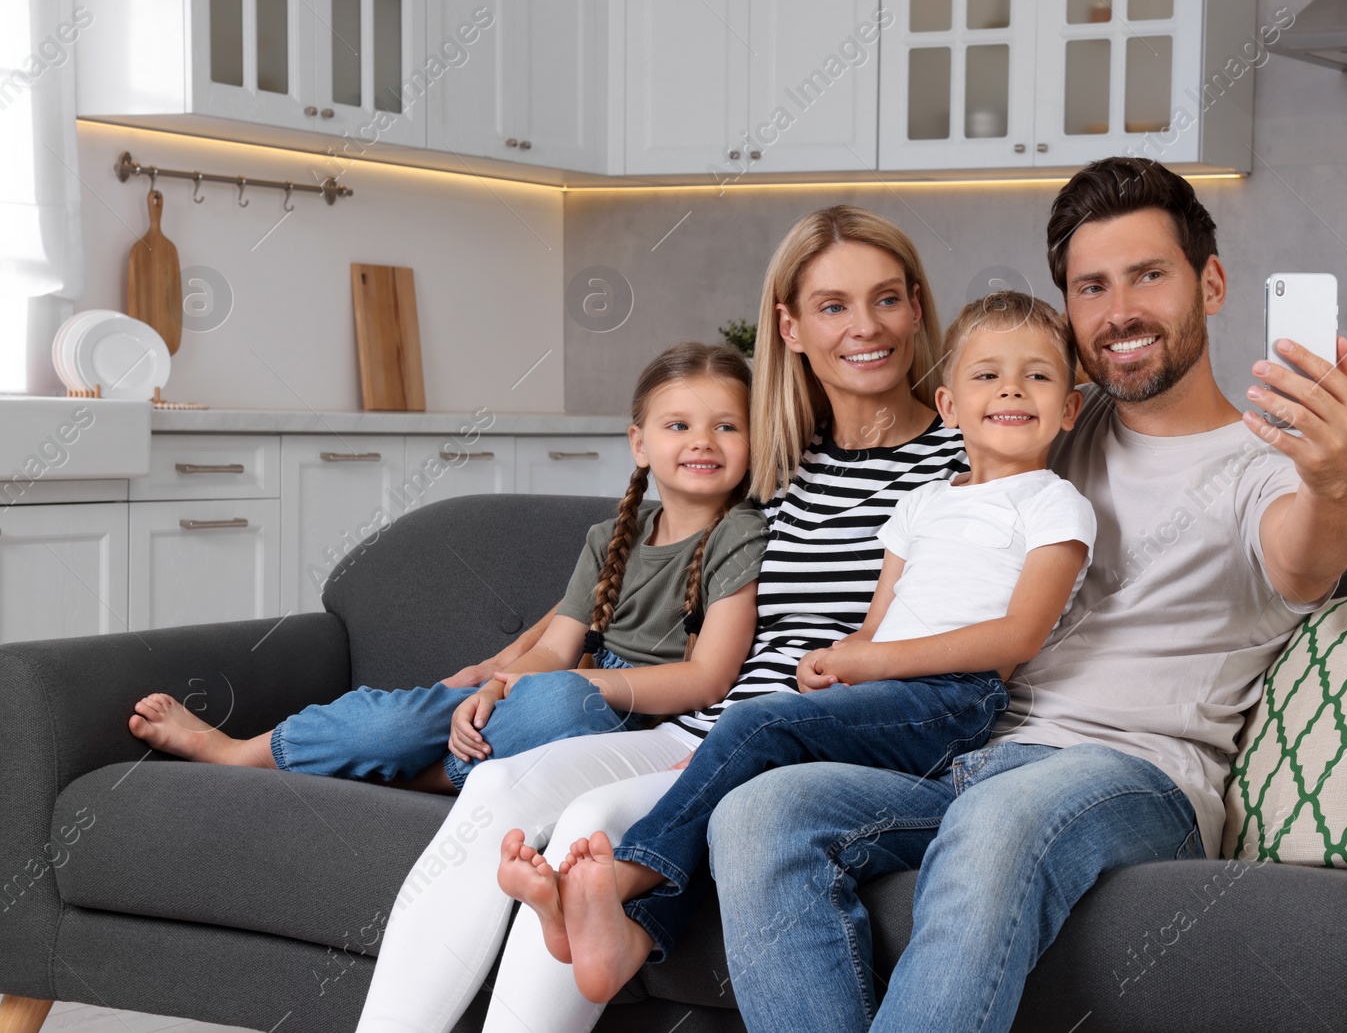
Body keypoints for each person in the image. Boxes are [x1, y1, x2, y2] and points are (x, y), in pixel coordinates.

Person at [709, 156, 1347, 1033]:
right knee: (759, 811)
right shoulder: (1056, 418)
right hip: (972, 752)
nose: (1121, 309)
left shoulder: (1264, 465)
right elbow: (920, 428)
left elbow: (1309, 557)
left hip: (1133, 775)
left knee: (995, 824)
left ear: (1209, 283)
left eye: (1149, 275)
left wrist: (1333, 478)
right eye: (1092, 287)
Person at [353, 205, 971, 1033]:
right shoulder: (772, 456)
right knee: (499, 782)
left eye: (887, 299)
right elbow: (634, 556)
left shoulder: (966, 456)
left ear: (917, 305)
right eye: (833, 305)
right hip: (708, 725)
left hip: (815, 740)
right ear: (789, 325)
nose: (866, 327)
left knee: (586, 831)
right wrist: (506, 665)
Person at [501, 292, 1098, 1005]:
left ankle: (627, 877)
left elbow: (1016, 638)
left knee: (756, 720)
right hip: (884, 697)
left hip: (955, 702)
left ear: (1071, 407)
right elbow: (879, 622)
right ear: (948, 404)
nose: (1010, 388)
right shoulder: (923, 504)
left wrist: (869, 663)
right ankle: (634, 929)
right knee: (754, 762)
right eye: (987, 375)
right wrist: (840, 658)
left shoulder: (1054, 503)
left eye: (1037, 376)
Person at [127, 340, 767, 799]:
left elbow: (708, 679)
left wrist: (579, 689)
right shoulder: (611, 537)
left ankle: (425, 772)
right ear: (639, 443)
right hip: (549, 688)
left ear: (754, 440)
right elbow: (555, 650)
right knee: (397, 719)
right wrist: (497, 686)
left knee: (561, 712)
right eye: (678, 424)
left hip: (621, 714)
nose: (702, 441)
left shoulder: (741, 534)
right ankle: (240, 752)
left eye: (726, 426)